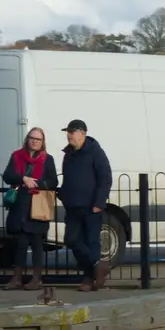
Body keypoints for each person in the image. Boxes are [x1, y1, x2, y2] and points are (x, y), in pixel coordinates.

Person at [58, 119, 113, 293]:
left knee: (91, 242)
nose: (68, 135)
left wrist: (99, 202)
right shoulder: (68, 154)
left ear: (82, 133)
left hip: (91, 207)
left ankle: (89, 279)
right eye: (67, 132)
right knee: (72, 240)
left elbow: (105, 179)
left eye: (71, 132)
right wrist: (64, 196)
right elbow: (67, 178)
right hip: (73, 206)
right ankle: (99, 265)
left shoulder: (96, 152)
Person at [1, 127, 59, 291]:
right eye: (32, 138)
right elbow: (7, 176)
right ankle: (17, 278)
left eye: (38, 139)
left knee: (36, 244)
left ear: (42, 142)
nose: (34, 141)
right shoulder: (17, 156)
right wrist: (23, 178)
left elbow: (53, 182)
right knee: (20, 244)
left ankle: (36, 279)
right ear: (27, 139)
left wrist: (36, 184)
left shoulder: (47, 159)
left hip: (37, 207)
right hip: (20, 207)